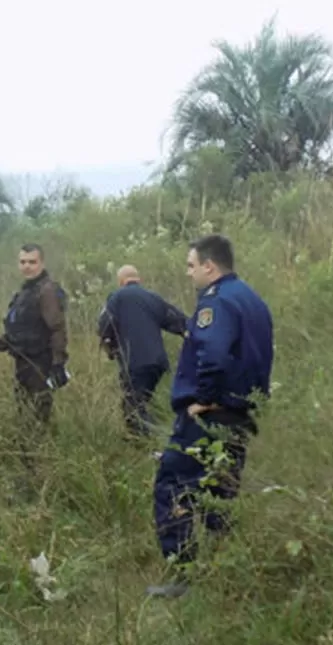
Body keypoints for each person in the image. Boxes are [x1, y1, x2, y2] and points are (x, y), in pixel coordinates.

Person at [149, 235, 273, 599]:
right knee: (220, 491)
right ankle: (223, 574)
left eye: (191, 266)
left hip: (209, 418)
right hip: (240, 416)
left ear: (209, 266)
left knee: (173, 485)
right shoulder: (252, 300)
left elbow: (214, 354)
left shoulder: (215, 303)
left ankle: (183, 575)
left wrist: (204, 398)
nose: (188, 274)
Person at [0, 243, 69, 426]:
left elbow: (57, 328)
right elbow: (16, 331)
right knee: (23, 414)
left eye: (32, 262)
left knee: (39, 416)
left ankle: (42, 452)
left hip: (40, 363)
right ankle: (27, 452)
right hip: (22, 363)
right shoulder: (24, 293)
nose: (27, 266)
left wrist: (59, 364)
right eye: (23, 262)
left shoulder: (47, 290)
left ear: (41, 263)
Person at [96, 264, 188, 436]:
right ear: (139, 279)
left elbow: (103, 326)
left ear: (121, 281)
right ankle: (151, 439)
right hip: (158, 363)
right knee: (141, 403)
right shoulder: (153, 297)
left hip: (134, 363)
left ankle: (160, 440)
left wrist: (111, 348)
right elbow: (179, 322)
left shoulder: (116, 297)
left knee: (133, 410)